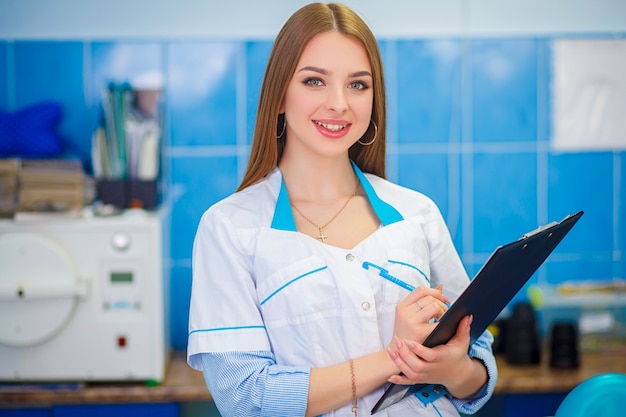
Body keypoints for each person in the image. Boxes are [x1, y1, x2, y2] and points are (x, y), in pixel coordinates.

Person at [187, 3, 497, 416]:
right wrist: (395, 357)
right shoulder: (231, 228)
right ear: (279, 95)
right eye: (314, 81)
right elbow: (246, 399)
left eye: (358, 85)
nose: (339, 104)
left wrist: (454, 370)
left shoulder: (416, 213)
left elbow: (479, 365)